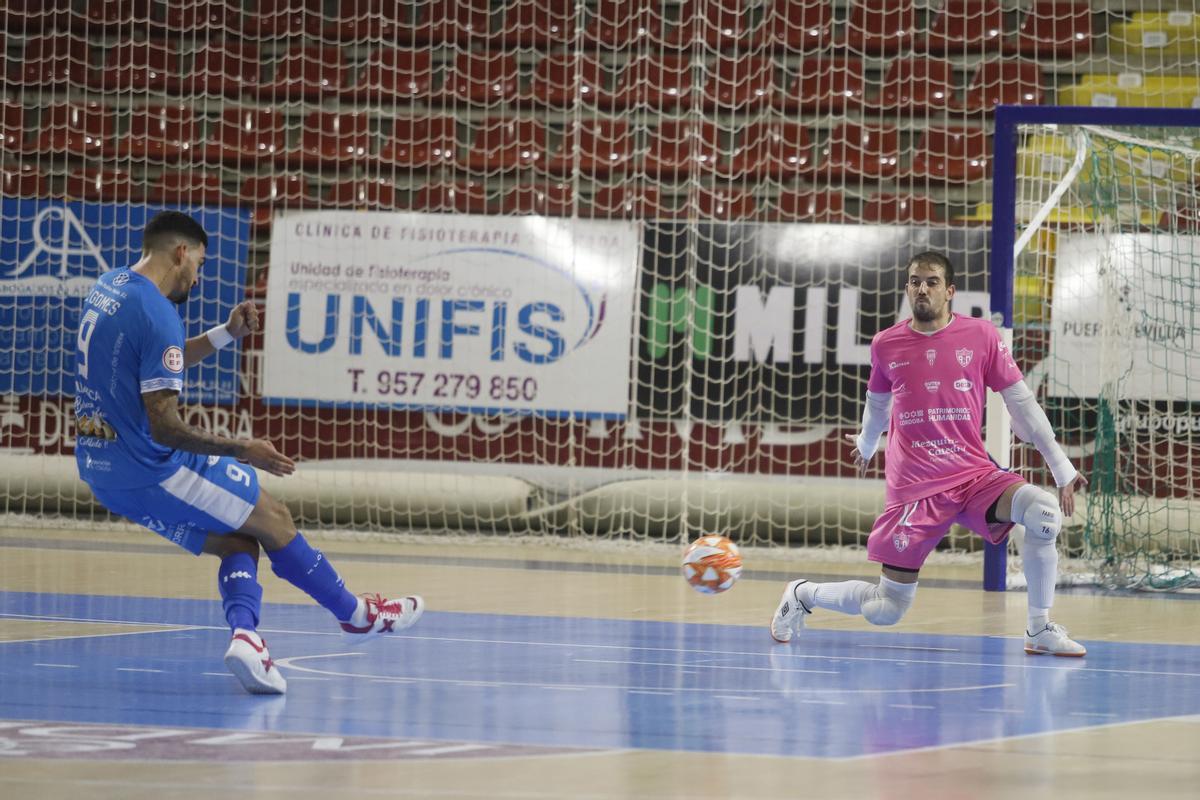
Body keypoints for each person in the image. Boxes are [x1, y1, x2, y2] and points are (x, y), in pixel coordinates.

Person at [73, 211, 423, 695]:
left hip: (100, 468)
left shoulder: (109, 286)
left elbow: (156, 359)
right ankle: (358, 616)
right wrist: (244, 449)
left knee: (238, 540)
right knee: (273, 516)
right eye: (199, 263)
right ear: (182, 253)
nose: (198, 275)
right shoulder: (157, 312)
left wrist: (224, 334)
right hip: (152, 466)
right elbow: (165, 426)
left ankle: (247, 638)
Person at [770, 251, 1088, 657]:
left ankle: (1039, 629)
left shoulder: (982, 336)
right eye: (914, 281)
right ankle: (803, 594)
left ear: (950, 291)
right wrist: (867, 444)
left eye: (932, 282)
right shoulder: (887, 344)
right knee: (886, 609)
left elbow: (1022, 403)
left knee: (1044, 513)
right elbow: (877, 404)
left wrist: (1061, 467)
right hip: (915, 489)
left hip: (974, 477)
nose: (922, 288)